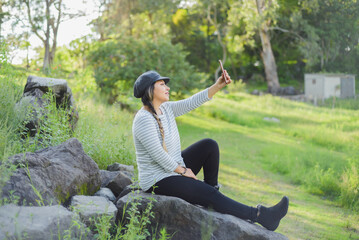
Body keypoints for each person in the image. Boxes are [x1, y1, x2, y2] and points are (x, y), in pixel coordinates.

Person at [132, 70, 289, 231]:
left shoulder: (165, 109)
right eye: (162, 84)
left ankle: (211, 195)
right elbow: (158, 154)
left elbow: (191, 102)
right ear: (150, 90)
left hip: (172, 169)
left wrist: (218, 85)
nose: (167, 88)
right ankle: (260, 215)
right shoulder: (143, 119)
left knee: (209, 145)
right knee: (208, 193)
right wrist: (183, 170)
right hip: (157, 180)